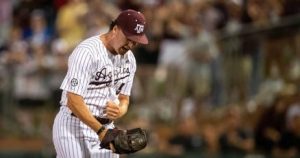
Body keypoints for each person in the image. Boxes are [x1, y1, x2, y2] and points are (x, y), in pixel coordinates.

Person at [52, 9, 148, 158]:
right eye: (128, 37)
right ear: (115, 29)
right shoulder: (87, 52)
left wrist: (120, 110)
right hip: (73, 125)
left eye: (136, 40)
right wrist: (101, 131)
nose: (131, 44)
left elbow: (124, 99)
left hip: (106, 128)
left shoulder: (130, 61)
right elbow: (73, 100)